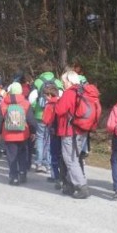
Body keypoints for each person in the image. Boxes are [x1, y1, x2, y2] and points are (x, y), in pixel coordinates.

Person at [54, 70, 91, 199]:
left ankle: (81, 186)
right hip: (82, 130)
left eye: (64, 82)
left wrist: (58, 101)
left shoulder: (69, 93)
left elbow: (59, 110)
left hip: (70, 131)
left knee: (70, 159)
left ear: (69, 81)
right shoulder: (83, 91)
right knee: (74, 158)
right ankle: (70, 184)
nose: (63, 84)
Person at [0, 82, 37, 185]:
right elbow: (31, 120)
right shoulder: (26, 103)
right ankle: (22, 173)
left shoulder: (4, 103)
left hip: (8, 135)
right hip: (23, 134)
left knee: (11, 156)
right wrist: (33, 132)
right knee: (23, 154)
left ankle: (14, 177)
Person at [41, 83, 62, 188]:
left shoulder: (49, 105)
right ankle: (63, 176)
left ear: (49, 95)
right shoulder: (61, 102)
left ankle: (55, 176)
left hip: (53, 132)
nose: (45, 97)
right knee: (61, 155)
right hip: (62, 132)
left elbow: (45, 119)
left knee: (53, 154)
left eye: (45, 95)